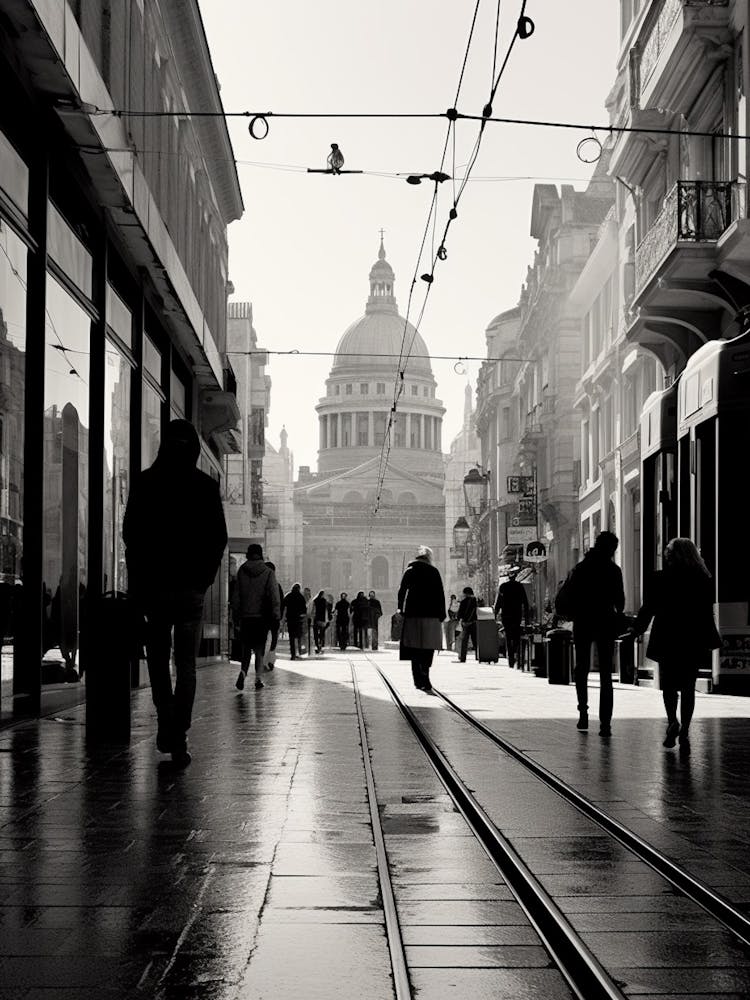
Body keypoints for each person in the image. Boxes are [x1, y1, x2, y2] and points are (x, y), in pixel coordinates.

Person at [123, 419, 227, 767]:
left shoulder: (145, 482)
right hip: (189, 591)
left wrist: (138, 581)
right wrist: (203, 580)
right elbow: (218, 540)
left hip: (153, 589)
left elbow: (131, 536)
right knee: (186, 666)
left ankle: (166, 723)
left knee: (157, 661)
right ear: (196, 449)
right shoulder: (205, 487)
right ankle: (177, 732)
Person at [632, 538, 720, 755]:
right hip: (692, 638)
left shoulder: (660, 578)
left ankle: (673, 721)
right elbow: (706, 613)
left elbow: (648, 608)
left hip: (667, 637)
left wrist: (636, 630)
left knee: (669, 686)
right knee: (688, 687)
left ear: (671, 556)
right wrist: (711, 638)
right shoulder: (703, 579)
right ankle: (686, 730)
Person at [562, 530, 625, 737]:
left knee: (581, 668)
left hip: (583, 621)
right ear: (612, 549)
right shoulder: (613, 570)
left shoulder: (579, 569)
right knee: (606, 673)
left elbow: (567, 597)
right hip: (605, 622)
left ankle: (583, 714)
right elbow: (621, 603)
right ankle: (605, 724)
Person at [231, 544, 280, 691]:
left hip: (246, 617)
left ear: (248, 554)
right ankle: (258, 679)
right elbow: (274, 596)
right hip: (261, 617)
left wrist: (235, 616)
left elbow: (236, 597)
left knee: (246, 649)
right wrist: (276, 615)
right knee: (259, 650)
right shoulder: (268, 572)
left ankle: (243, 672)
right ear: (261, 555)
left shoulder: (242, 571)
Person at [397, 545, 446, 692]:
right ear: (429, 558)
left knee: (414, 647)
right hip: (431, 615)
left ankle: (417, 680)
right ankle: (426, 676)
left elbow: (401, 591)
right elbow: (440, 593)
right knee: (427, 646)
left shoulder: (409, 570)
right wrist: (442, 614)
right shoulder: (434, 571)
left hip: (413, 615)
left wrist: (400, 608)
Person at [494, 567, 529, 669]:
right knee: (516, 636)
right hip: (516, 615)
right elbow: (525, 603)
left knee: (509, 637)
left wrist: (495, 615)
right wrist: (526, 618)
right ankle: (517, 656)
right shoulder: (519, 586)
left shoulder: (503, 586)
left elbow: (498, 603)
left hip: (506, 616)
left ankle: (511, 659)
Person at [265, 560, 285, 669]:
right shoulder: (277, 586)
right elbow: (281, 602)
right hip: (273, 617)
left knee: (264, 639)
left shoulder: (261, 585)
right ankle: (270, 659)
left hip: (263, 616)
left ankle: (264, 659)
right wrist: (279, 616)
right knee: (273, 639)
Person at [283, 583, 308, 660]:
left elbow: (283, 605)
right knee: (299, 636)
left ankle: (293, 654)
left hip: (290, 619)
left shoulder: (288, 595)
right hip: (298, 619)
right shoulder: (301, 597)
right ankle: (300, 652)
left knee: (291, 637)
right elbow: (304, 609)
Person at [456, 586, 478, 663]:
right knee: (475, 640)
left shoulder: (464, 602)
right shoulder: (476, 601)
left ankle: (463, 658)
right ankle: (478, 656)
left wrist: (459, 620)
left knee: (464, 641)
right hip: (474, 623)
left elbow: (459, 614)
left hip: (465, 624)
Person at [302, 586, 313, 655]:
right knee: (303, 634)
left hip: (307, 619)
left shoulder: (311, 601)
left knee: (306, 634)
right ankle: (305, 647)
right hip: (303, 618)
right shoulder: (302, 600)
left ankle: (307, 648)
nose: (306, 595)